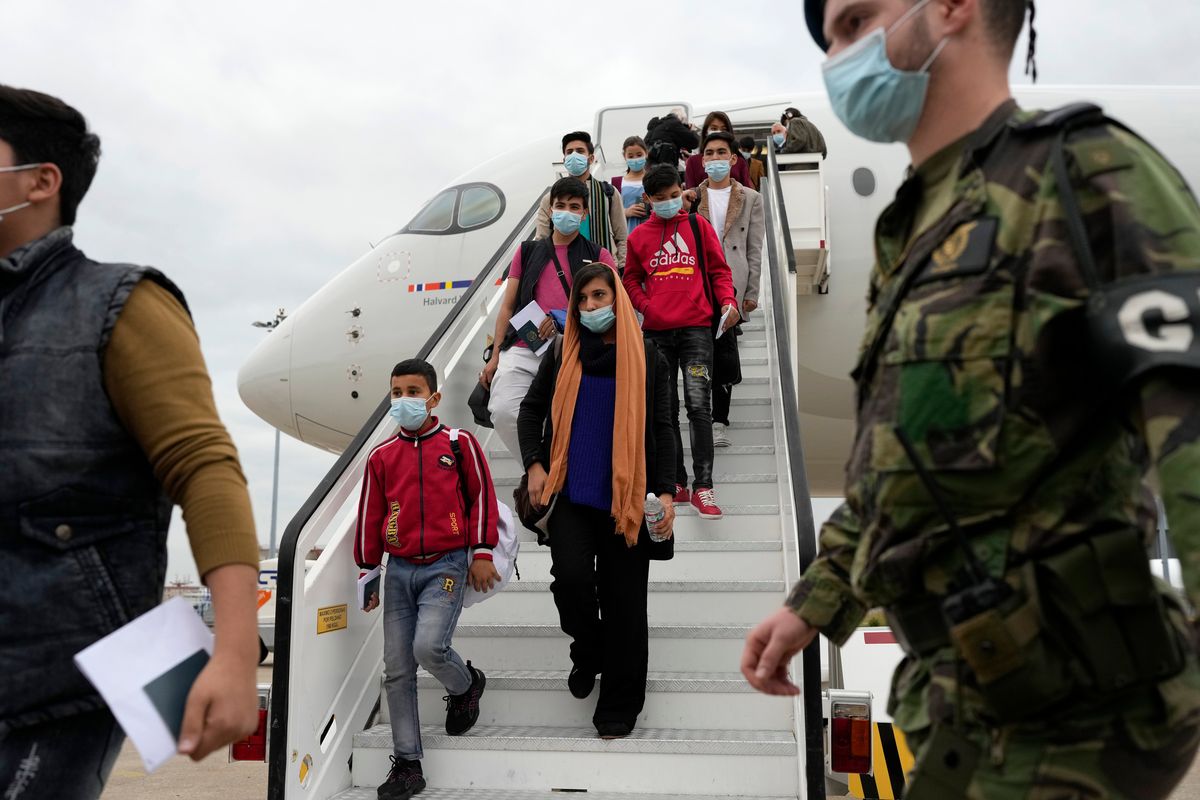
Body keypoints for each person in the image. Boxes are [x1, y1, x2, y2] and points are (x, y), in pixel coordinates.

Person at [742, 1, 1200, 797]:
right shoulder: (917, 232)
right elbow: (901, 468)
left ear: (949, 8)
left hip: (1080, 724)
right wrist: (814, 604)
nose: (835, 58)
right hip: (963, 712)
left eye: (854, 24)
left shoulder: (1086, 172)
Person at [0, 85, 261, 799]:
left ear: (39, 182)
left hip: (59, 688)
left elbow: (205, 467)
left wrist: (235, 650)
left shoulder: (121, 304)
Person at [517, 263, 677, 740]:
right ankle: (589, 651)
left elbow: (664, 429)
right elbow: (530, 412)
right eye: (583, 299)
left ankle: (619, 705)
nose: (590, 307)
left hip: (626, 500)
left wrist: (667, 493)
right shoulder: (562, 355)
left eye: (599, 297)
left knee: (626, 603)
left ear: (617, 300)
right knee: (569, 581)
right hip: (571, 494)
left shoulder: (650, 358)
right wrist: (536, 466)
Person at [356, 358, 500, 800]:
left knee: (428, 647)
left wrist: (480, 551)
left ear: (434, 398)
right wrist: (368, 572)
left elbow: (481, 499)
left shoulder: (459, 444)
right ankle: (408, 763)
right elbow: (370, 515)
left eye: (413, 392)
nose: (403, 400)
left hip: (447, 564)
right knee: (397, 671)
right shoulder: (381, 457)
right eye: (397, 393)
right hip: (398, 570)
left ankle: (466, 683)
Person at [623, 164, 740, 519]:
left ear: (682, 191)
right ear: (648, 199)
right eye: (662, 199)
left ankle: (704, 487)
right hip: (656, 334)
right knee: (665, 411)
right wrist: (647, 306)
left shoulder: (698, 226)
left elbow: (720, 271)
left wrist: (728, 302)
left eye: (675, 196)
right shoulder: (638, 237)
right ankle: (676, 482)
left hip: (696, 330)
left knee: (698, 406)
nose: (671, 203)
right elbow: (630, 280)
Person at [481, 177, 617, 459]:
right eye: (560, 205)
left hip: (573, 347)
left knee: (570, 419)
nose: (566, 212)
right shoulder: (527, 251)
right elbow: (508, 307)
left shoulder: (599, 255)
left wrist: (563, 320)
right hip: (523, 345)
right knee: (505, 411)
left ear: (585, 214)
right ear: (550, 209)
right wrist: (494, 356)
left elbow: (612, 307)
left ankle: (555, 478)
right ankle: (537, 470)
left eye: (574, 206)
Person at [691, 131, 765, 448]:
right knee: (699, 355)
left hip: (731, 285)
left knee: (724, 355)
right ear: (702, 159)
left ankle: (719, 421)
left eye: (722, 152)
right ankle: (701, 416)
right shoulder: (691, 197)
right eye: (710, 153)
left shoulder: (750, 198)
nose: (716, 158)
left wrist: (751, 293)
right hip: (697, 285)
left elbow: (754, 248)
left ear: (734, 159)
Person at [535, 131, 627, 272]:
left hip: (604, 269)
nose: (574, 155)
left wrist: (621, 267)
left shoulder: (608, 193)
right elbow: (542, 238)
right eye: (569, 152)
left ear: (591, 159)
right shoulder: (551, 198)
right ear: (564, 160)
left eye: (580, 151)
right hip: (562, 269)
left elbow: (622, 237)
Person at [684, 111, 750, 189]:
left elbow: (747, 191)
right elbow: (690, 192)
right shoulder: (693, 161)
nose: (719, 132)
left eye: (724, 129)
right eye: (714, 128)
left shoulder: (740, 161)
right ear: (705, 132)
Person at [614, 135, 651, 235]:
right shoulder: (615, 183)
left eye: (639, 155)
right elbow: (607, 212)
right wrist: (625, 212)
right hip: (625, 237)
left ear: (646, 153)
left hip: (650, 233)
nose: (635, 159)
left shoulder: (654, 180)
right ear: (624, 156)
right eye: (630, 156)